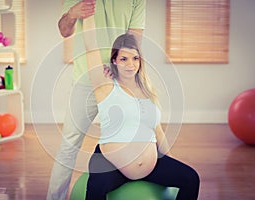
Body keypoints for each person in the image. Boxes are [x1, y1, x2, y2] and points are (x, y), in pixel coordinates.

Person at [83, 28, 200, 199]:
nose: (131, 64)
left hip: (150, 166)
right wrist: (88, 12)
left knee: (191, 178)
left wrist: (171, 160)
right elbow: (90, 47)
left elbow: (158, 131)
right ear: (114, 60)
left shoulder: (147, 90)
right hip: (111, 164)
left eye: (135, 58)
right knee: (96, 187)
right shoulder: (106, 87)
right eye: (123, 59)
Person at [47, 1, 146, 199]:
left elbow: (134, 40)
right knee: (69, 145)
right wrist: (72, 13)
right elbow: (64, 30)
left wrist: (118, 67)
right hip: (84, 79)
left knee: (129, 139)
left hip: (119, 81)